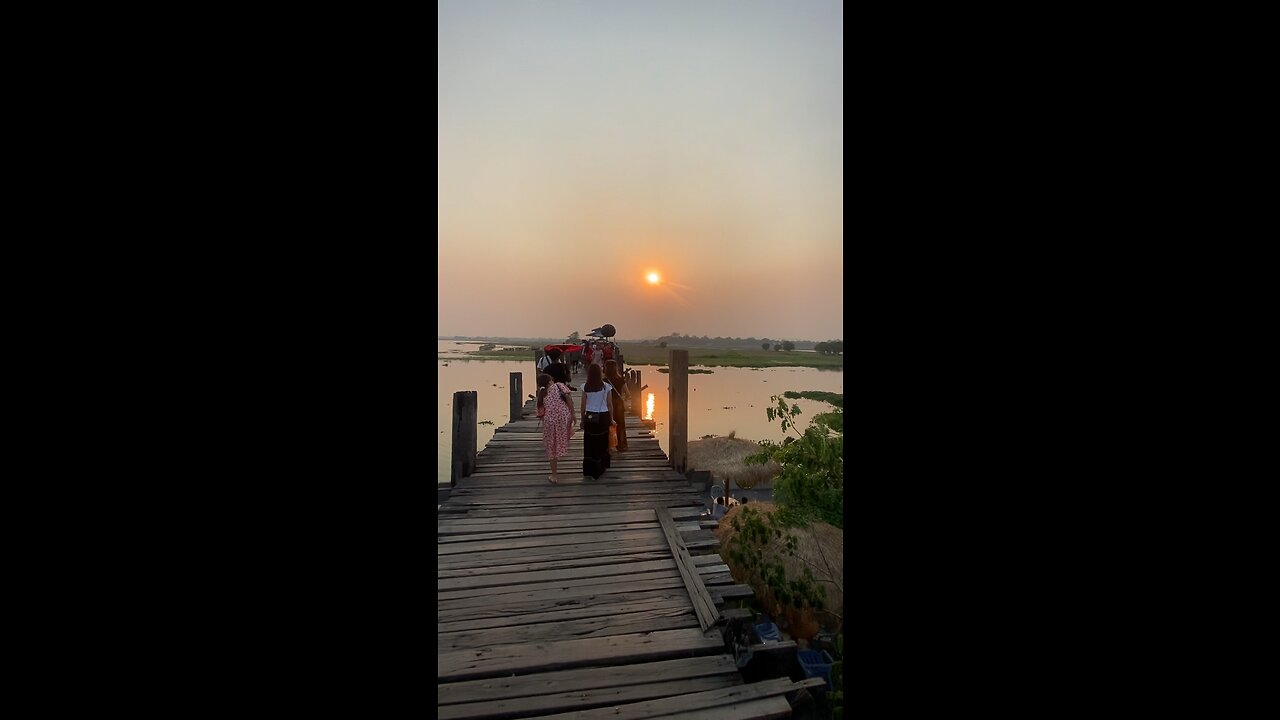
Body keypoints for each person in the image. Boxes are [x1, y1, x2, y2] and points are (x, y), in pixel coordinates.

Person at [537, 372, 574, 483]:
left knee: (551, 447)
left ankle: (554, 475)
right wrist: (573, 415)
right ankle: (562, 444)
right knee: (563, 435)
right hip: (564, 417)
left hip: (549, 420)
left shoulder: (541, 394)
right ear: (550, 381)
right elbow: (569, 399)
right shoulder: (559, 385)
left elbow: (541, 414)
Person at [579, 363, 613, 479]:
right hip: (603, 416)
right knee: (602, 441)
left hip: (590, 416)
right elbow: (609, 404)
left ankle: (589, 469)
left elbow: (583, 405)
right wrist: (612, 419)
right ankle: (600, 466)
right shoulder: (606, 387)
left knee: (589, 441)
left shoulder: (585, 387)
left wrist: (582, 419)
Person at [604, 359, 629, 452]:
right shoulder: (621, 379)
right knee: (620, 424)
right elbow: (628, 394)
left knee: (608, 424)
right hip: (618, 403)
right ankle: (621, 444)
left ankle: (609, 445)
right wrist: (624, 399)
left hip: (607, 404)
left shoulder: (604, 381)